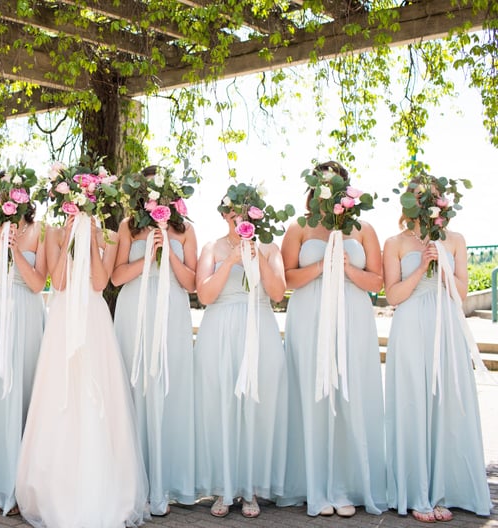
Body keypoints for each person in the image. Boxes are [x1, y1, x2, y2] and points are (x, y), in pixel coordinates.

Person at [15, 213, 148, 528]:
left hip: (94, 317)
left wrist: (89, 243)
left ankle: (102, 483)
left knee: (97, 396)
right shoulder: (53, 233)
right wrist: (71, 240)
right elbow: (58, 280)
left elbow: (101, 282)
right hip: (63, 316)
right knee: (60, 395)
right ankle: (55, 486)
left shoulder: (110, 235)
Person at [278, 161, 387, 517]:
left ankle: (346, 484)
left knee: (349, 393)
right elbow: (286, 282)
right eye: (324, 182)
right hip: (309, 318)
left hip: (353, 319)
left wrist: (346, 267)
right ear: (314, 188)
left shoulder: (364, 229)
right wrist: (322, 265)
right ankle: (314, 484)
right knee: (311, 394)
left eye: (337, 183)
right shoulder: (299, 227)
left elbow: (377, 283)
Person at [382, 180, 490, 522]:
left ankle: (447, 487)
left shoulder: (455, 240)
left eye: (430, 196)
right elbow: (394, 296)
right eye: (417, 196)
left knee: (448, 403)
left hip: (446, 324)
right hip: (411, 323)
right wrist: (420, 266)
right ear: (408, 203)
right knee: (413, 402)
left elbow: (461, 290)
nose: (424, 201)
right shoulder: (395, 243)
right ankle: (415, 492)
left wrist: (440, 263)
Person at [193, 196, 288, 519]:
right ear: (224, 215)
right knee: (220, 406)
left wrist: (256, 257)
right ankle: (223, 486)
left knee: (257, 408)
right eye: (233, 212)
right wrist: (232, 262)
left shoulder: (271, 249)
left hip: (260, 328)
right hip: (219, 330)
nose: (239, 218)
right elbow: (204, 295)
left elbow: (277, 293)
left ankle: (251, 489)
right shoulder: (211, 248)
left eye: (245, 213)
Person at [112, 168, 197, 516]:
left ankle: (168, 480)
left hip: (172, 311)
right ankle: (135, 481)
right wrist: (146, 256)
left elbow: (192, 283)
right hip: (134, 310)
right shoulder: (127, 226)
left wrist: (168, 252)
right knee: (135, 390)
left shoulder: (185, 228)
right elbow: (116, 276)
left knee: (168, 388)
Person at [0, 188, 46, 516]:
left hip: (28, 314)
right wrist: (1, 246)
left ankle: (23, 489)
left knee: (26, 395)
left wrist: (16, 252)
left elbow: (38, 284)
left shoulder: (40, 230)